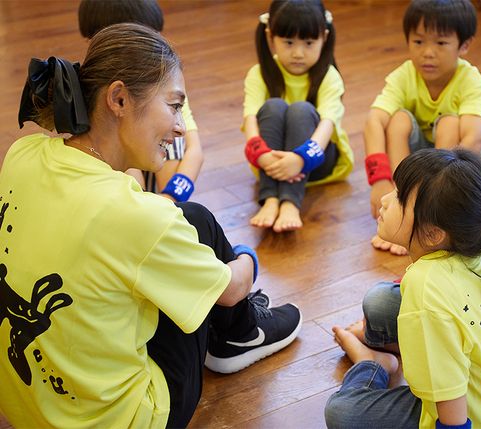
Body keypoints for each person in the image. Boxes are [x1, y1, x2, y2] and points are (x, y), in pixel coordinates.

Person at [0, 24, 301, 428]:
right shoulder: (134, 215)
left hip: (26, 410)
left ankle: (233, 332)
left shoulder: (22, 153)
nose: (180, 126)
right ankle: (239, 336)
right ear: (119, 99)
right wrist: (245, 255)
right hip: (122, 421)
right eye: (174, 106)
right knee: (197, 222)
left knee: (180, 225)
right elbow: (232, 289)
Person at [325, 149, 481, 428]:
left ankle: (373, 364)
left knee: (342, 414)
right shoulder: (468, 246)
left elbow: (450, 398)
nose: (385, 200)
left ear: (433, 234)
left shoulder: (425, 287)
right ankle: (386, 347)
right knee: (379, 301)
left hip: (473, 415)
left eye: (399, 198)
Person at [365, 0, 481, 255]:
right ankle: (402, 199)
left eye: (441, 43)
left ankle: (427, 211)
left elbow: (472, 139)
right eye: (418, 41)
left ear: (464, 45)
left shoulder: (469, 79)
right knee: (398, 120)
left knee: (450, 123)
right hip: (419, 164)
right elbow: (373, 121)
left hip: (455, 167)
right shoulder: (405, 74)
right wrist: (379, 179)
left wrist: (438, 192)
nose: (428, 53)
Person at [242, 0, 354, 232]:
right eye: (289, 42)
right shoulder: (259, 73)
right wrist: (261, 154)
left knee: (301, 110)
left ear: (324, 37)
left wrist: (301, 160)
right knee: (273, 107)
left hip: (317, 162)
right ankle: (271, 199)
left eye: (309, 43)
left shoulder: (329, 77)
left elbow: (327, 125)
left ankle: (290, 202)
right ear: (270, 36)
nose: (298, 53)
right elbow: (250, 118)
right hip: (270, 163)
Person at [78, 0, 204, 202]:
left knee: (170, 130)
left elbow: (195, 152)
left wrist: (171, 197)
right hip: (122, 196)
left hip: (152, 192)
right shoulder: (96, 93)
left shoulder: (167, 93)